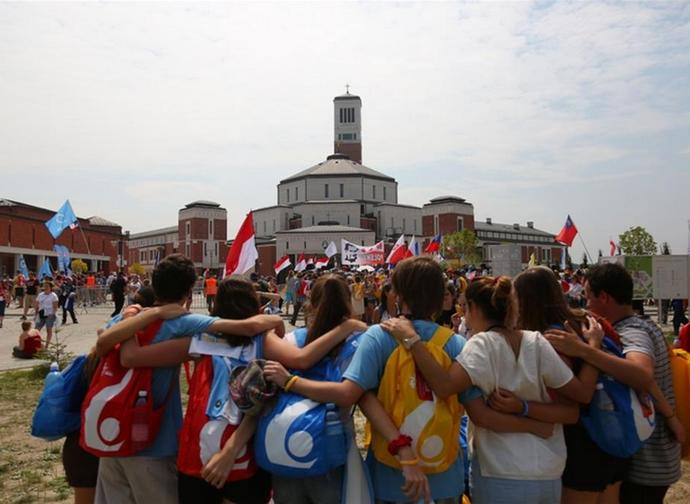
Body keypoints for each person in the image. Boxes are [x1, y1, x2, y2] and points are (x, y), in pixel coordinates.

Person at [265, 258, 557, 503]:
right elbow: (478, 412)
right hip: (446, 475)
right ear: (441, 297)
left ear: (398, 295)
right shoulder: (455, 343)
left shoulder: (379, 336)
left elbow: (350, 394)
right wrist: (534, 422)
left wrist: (290, 382)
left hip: (391, 476)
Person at [96, 273, 365, 504]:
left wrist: (131, 318)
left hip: (195, 454)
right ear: (252, 304)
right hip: (243, 453)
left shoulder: (199, 340)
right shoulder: (262, 341)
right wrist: (347, 326)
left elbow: (132, 357)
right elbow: (303, 358)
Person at [381, 273, 600, 504]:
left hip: (500, 470)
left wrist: (413, 341)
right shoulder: (535, 341)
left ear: (473, 308)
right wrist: (593, 348)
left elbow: (444, 386)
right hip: (548, 471)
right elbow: (581, 396)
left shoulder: (482, 344)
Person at [91, 254, 289, 504]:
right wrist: (274, 319)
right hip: (153, 443)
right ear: (188, 293)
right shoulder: (185, 323)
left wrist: (137, 314)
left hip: (111, 439)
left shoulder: (127, 318)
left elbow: (103, 340)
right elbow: (246, 328)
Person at [546, 263, 683, 504]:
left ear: (604, 297)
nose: (586, 304)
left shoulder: (631, 331)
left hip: (647, 460)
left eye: (588, 297)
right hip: (651, 454)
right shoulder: (643, 324)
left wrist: (585, 350)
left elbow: (642, 375)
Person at [35, 280, 59, 346]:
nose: (45, 287)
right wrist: (36, 313)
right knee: (36, 330)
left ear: (51, 287)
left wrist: (52, 314)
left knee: (48, 330)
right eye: (44, 286)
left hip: (50, 314)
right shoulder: (40, 295)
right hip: (41, 314)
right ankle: (38, 343)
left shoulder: (53, 295)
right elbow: (37, 304)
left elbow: (55, 307)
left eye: (47, 286)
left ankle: (47, 345)